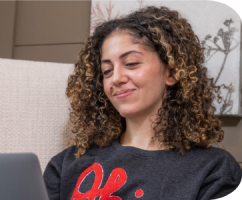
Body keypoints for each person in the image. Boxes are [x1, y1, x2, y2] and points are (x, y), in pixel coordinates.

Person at [43, 6, 242, 199]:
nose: (116, 78)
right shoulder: (67, 165)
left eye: (131, 63)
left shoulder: (214, 170)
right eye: (107, 71)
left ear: (172, 72)